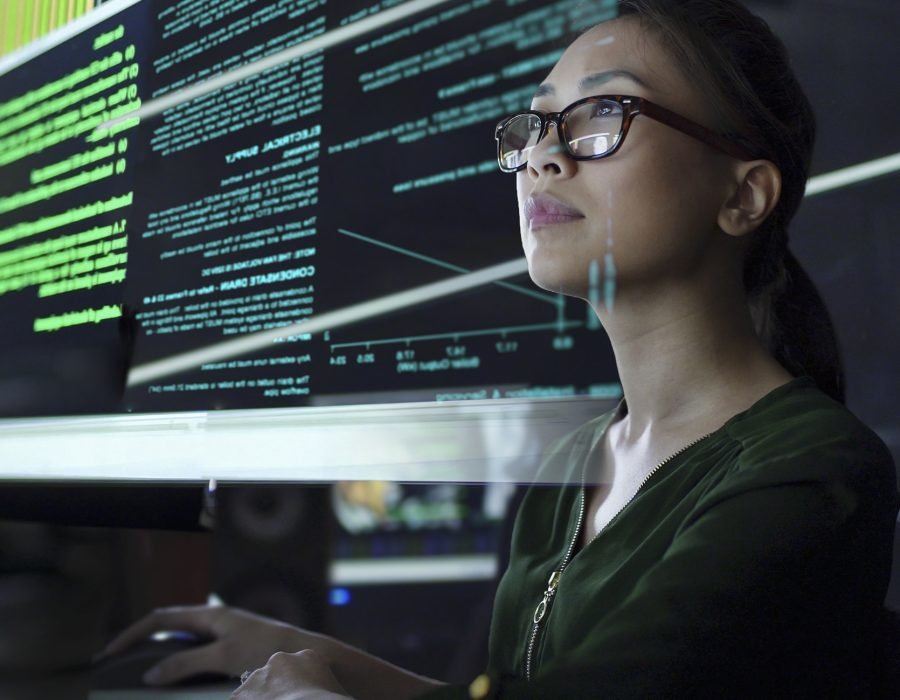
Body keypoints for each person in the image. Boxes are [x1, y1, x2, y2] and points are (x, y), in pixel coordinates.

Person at [95, 1, 899, 697]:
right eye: (536, 124)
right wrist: (305, 657)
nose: (542, 157)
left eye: (603, 116)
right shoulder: (579, 458)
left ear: (743, 195)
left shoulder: (813, 468)